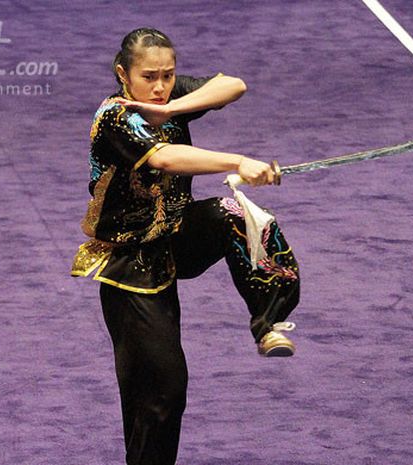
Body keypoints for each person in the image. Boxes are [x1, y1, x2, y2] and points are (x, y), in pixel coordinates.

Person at [71, 27, 300, 465]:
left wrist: (175, 106)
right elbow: (164, 158)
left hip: (174, 240)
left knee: (237, 215)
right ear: (123, 74)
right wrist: (238, 162)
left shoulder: (166, 99)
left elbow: (233, 84)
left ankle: (267, 320)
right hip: (130, 268)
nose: (159, 87)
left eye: (168, 75)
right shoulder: (116, 117)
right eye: (149, 78)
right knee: (162, 392)